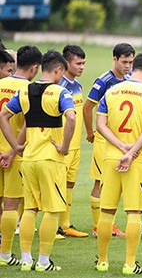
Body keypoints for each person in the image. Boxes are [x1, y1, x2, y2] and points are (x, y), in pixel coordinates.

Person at [0, 50, 76, 272]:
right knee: (52, 210)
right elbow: (71, 117)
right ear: (59, 70)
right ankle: (43, 261)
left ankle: (25, 259)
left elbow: (3, 116)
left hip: (29, 158)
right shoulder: (60, 92)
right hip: (51, 159)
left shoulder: (24, 92)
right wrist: (64, 146)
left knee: (30, 208)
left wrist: (15, 145)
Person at [94, 53, 142, 275]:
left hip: (111, 156)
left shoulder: (111, 91)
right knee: (133, 212)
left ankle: (102, 261)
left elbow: (100, 124)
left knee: (106, 211)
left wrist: (120, 146)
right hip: (137, 159)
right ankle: (130, 264)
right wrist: (131, 151)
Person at [84, 43, 135, 238]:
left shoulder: (130, 80)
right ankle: (98, 226)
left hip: (121, 140)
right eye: (124, 62)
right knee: (100, 182)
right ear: (114, 59)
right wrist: (90, 133)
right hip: (104, 140)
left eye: (131, 62)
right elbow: (87, 107)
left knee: (112, 184)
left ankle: (109, 225)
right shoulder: (104, 81)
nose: (128, 66)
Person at [0, 45, 42, 267]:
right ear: (34, 68)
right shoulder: (31, 89)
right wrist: (13, 149)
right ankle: (5, 254)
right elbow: (29, 122)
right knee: (11, 205)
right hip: (16, 154)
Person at [56, 45, 88, 238]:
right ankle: (51, 226)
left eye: (84, 63)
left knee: (69, 185)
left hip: (76, 146)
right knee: (56, 185)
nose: (82, 67)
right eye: (79, 63)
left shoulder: (78, 85)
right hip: (63, 145)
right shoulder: (59, 86)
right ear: (66, 63)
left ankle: (65, 224)